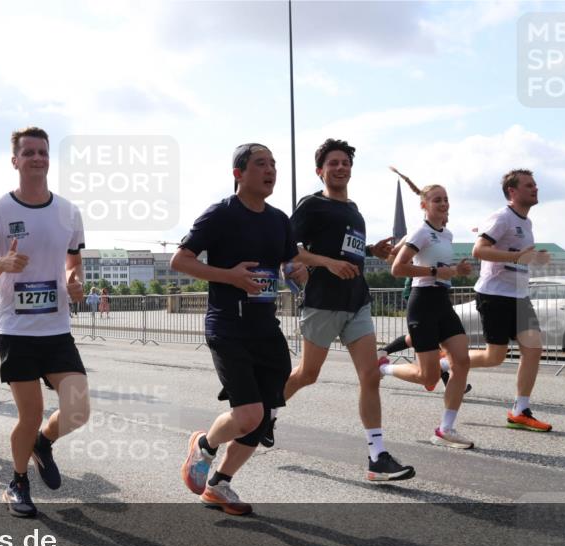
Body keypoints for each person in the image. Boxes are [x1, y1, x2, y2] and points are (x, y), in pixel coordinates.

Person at [174, 143, 307, 515]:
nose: (271, 170)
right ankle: (204, 445)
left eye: (274, 164)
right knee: (248, 414)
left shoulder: (280, 219)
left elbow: (291, 265)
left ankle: (219, 485)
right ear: (239, 173)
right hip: (228, 325)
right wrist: (229, 277)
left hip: (266, 328)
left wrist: (299, 272)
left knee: (262, 420)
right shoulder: (220, 214)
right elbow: (180, 260)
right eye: (261, 164)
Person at [0, 126, 90, 518]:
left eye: (43, 152)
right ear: (15, 160)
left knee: (78, 409)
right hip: (16, 330)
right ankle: (17, 481)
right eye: (30, 153)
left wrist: (75, 280)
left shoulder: (69, 212)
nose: (38, 158)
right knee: (30, 412)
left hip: (56, 328)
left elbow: (74, 261)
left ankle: (42, 443)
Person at [283, 138, 415, 482]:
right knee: (307, 374)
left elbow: (347, 250)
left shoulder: (354, 210)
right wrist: (327, 263)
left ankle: (377, 456)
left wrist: (372, 249)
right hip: (323, 302)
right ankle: (263, 413)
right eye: (333, 163)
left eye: (345, 163)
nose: (340, 168)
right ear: (320, 171)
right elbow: (288, 249)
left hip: (357, 301)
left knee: (370, 375)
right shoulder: (312, 205)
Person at [378, 170, 475, 448]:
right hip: (422, 302)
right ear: (424, 205)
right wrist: (435, 270)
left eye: (445, 199)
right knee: (428, 377)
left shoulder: (447, 234)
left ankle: (446, 428)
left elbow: (400, 257)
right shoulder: (420, 232)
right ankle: (383, 368)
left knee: (462, 362)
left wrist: (459, 270)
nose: (443, 204)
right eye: (436, 200)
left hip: (442, 302)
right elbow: (397, 269)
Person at [468, 169, 553, 432]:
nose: (535, 188)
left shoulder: (527, 223)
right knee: (495, 357)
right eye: (529, 185)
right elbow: (478, 250)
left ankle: (520, 410)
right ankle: (446, 363)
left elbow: (519, 255)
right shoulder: (502, 217)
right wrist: (515, 257)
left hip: (519, 295)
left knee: (534, 348)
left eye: (536, 184)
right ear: (512, 192)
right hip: (494, 294)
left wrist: (534, 259)